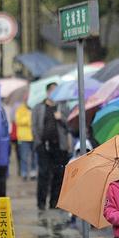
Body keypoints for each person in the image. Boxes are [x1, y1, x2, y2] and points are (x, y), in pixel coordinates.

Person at [32, 82, 71, 210]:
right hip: (44, 146)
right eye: (52, 91)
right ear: (48, 92)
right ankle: (41, 203)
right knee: (44, 174)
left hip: (59, 147)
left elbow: (69, 125)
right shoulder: (39, 107)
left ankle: (55, 202)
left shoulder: (62, 107)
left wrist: (61, 118)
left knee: (59, 174)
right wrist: (38, 142)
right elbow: (34, 126)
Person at [15, 102, 37, 180]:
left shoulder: (35, 108)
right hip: (24, 137)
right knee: (24, 156)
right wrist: (29, 116)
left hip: (34, 136)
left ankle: (33, 172)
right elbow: (18, 121)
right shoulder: (20, 109)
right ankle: (24, 173)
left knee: (34, 156)